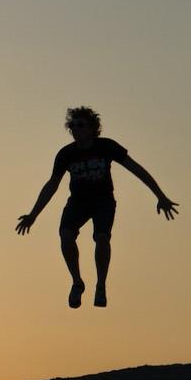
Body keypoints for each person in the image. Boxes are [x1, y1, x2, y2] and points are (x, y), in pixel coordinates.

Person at [15, 106, 179, 308]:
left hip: (103, 201)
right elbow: (52, 184)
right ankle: (77, 282)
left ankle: (101, 284)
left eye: (81, 125)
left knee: (101, 237)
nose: (75, 129)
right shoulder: (66, 154)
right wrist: (33, 215)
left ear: (92, 128)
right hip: (78, 202)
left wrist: (160, 196)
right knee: (66, 235)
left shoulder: (107, 147)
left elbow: (136, 169)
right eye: (72, 126)